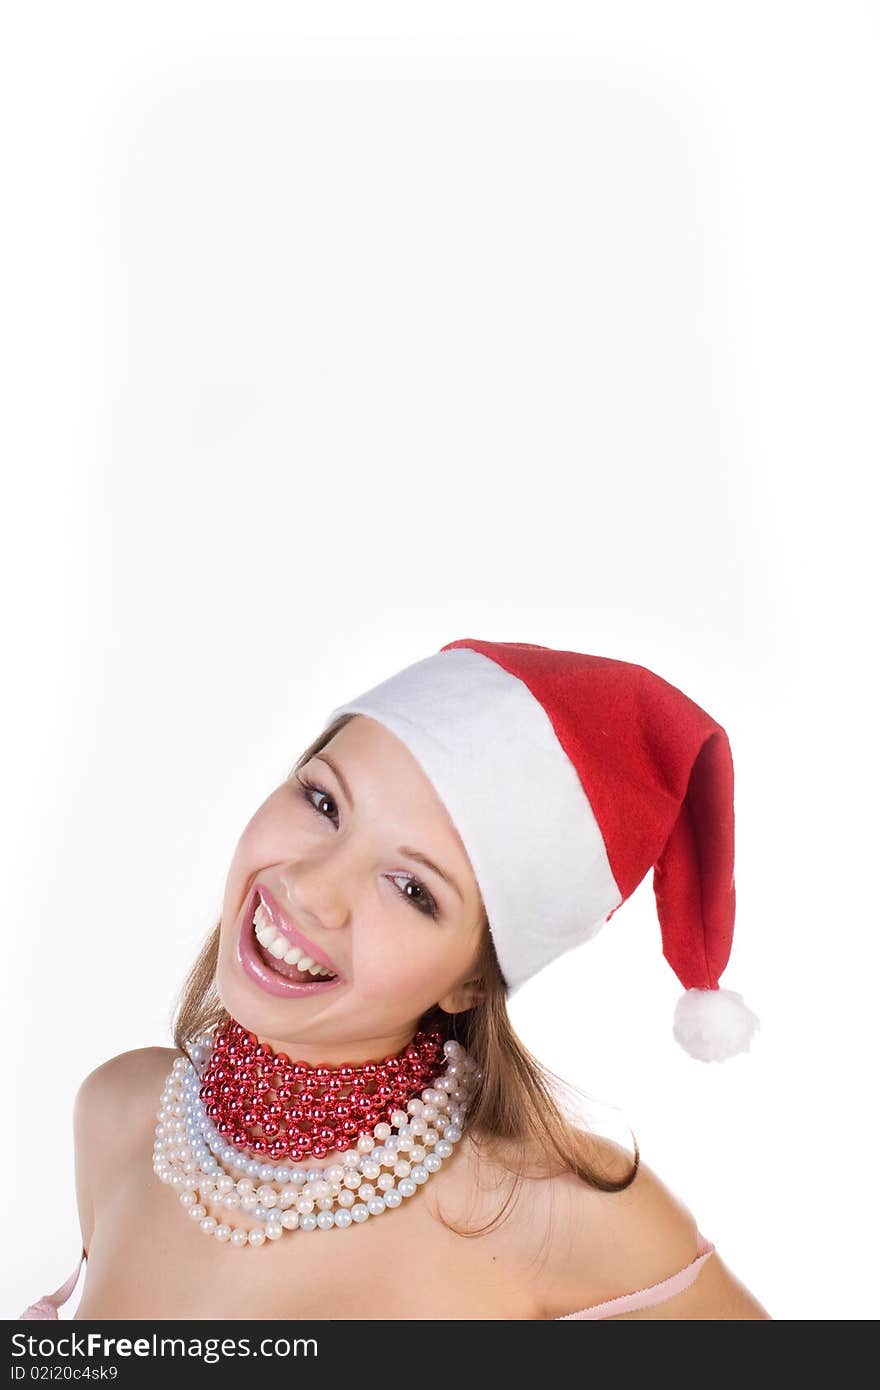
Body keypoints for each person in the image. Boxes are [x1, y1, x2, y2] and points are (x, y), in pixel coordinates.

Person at [20, 637, 771, 1319]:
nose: (310, 889)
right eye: (323, 801)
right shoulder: (120, 1115)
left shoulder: (558, 1211)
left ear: (474, 982)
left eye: (412, 889)